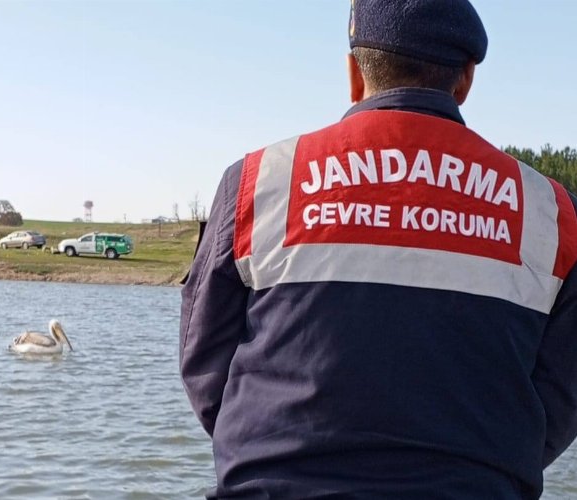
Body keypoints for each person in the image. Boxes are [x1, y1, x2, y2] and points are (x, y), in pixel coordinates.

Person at [179, 1, 577, 498]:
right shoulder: (550, 211)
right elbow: (561, 393)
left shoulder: (258, 184)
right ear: (466, 80)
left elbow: (204, 361)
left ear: (354, 71)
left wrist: (262, 447)